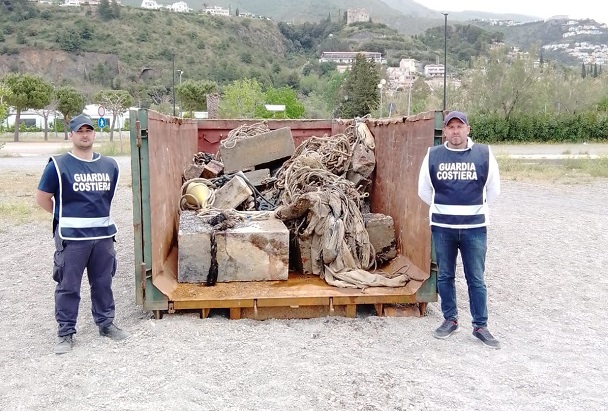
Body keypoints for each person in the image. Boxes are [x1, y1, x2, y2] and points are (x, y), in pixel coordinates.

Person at [35, 114, 128, 355]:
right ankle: (66, 332)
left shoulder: (110, 165)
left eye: (89, 130)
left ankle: (106, 324)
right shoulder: (58, 165)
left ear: (94, 134)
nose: (85, 134)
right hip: (72, 239)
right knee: (68, 286)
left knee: (103, 283)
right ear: (72, 135)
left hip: (103, 237)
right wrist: (64, 216)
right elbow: (43, 199)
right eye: (80, 131)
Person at [417, 110, 501, 349]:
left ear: (468, 129)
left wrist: (475, 209)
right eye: (451, 127)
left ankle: (480, 326)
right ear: (445, 131)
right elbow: (424, 190)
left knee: (476, 277)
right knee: (445, 275)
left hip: (475, 228)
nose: (456, 131)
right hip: (443, 227)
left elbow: (493, 190)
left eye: (460, 127)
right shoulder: (433, 155)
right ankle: (450, 319)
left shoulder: (484, 154)